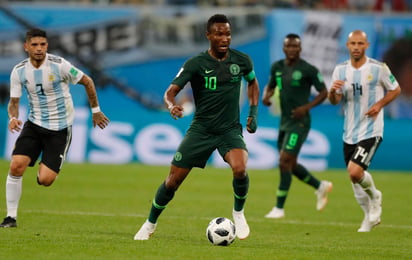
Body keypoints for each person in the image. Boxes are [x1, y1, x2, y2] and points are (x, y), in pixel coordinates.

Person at [134, 14, 259, 240]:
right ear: (208, 35)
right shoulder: (196, 63)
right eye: (219, 34)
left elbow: (252, 82)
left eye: (228, 34)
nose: (225, 38)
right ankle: (150, 223)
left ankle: (238, 213)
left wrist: (253, 113)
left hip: (229, 130)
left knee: (240, 168)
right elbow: (170, 92)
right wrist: (172, 106)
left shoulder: (242, 61)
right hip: (201, 130)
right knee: (173, 181)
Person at [0, 28, 110, 228]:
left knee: (46, 180)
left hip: (60, 128)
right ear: (26, 47)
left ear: (47, 45)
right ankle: (10, 217)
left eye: (43, 44)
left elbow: (88, 81)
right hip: (34, 124)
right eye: (34, 45)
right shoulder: (19, 70)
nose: (39, 49)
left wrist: (96, 110)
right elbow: (14, 101)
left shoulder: (60, 66)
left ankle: (44, 167)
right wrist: (12, 118)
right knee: (16, 165)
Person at [328, 30, 401, 232]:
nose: (357, 47)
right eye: (353, 43)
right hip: (349, 131)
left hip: (371, 129)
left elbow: (396, 89)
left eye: (361, 43)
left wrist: (379, 104)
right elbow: (334, 101)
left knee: (355, 171)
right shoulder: (340, 70)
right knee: (354, 180)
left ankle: (376, 197)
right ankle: (367, 217)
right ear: (347, 45)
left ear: (367, 45)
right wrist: (333, 91)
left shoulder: (379, 68)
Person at [262, 33, 332, 219]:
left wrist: (306, 107)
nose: (292, 49)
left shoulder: (308, 69)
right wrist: (266, 96)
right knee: (290, 164)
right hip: (284, 122)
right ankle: (320, 186)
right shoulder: (277, 67)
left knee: (284, 161)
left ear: (300, 49)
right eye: (289, 46)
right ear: (284, 48)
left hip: (300, 122)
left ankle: (279, 208)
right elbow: (270, 86)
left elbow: (324, 92)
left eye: (295, 46)